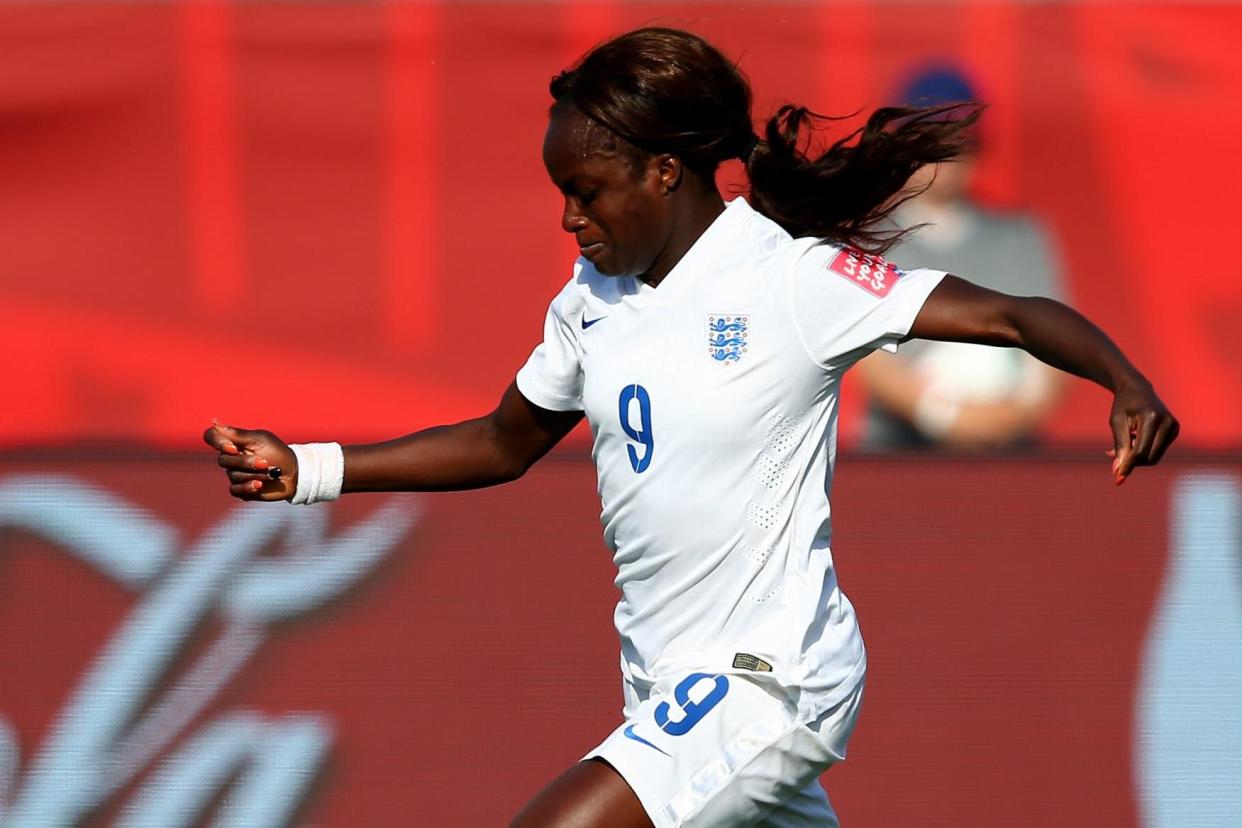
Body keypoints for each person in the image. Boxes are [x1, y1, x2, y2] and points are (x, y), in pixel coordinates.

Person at [203, 28, 1178, 828]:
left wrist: (1123, 380)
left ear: (666, 173)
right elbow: (504, 441)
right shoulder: (590, 300)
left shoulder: (791, 282)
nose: (568, 221)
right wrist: (310, 469)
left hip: (770, 680)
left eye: (585, 193)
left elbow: (1010, 315)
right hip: (670, 690)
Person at [857, 66, 1069, 449]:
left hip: (1008, 458)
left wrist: (1010, 417)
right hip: (899, 456)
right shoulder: (866, 237)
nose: (945, 159)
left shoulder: (1019, 238)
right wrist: (942, 414)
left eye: (959, 141)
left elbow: (1054, 348)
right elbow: (862, 354)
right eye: (931, 143)